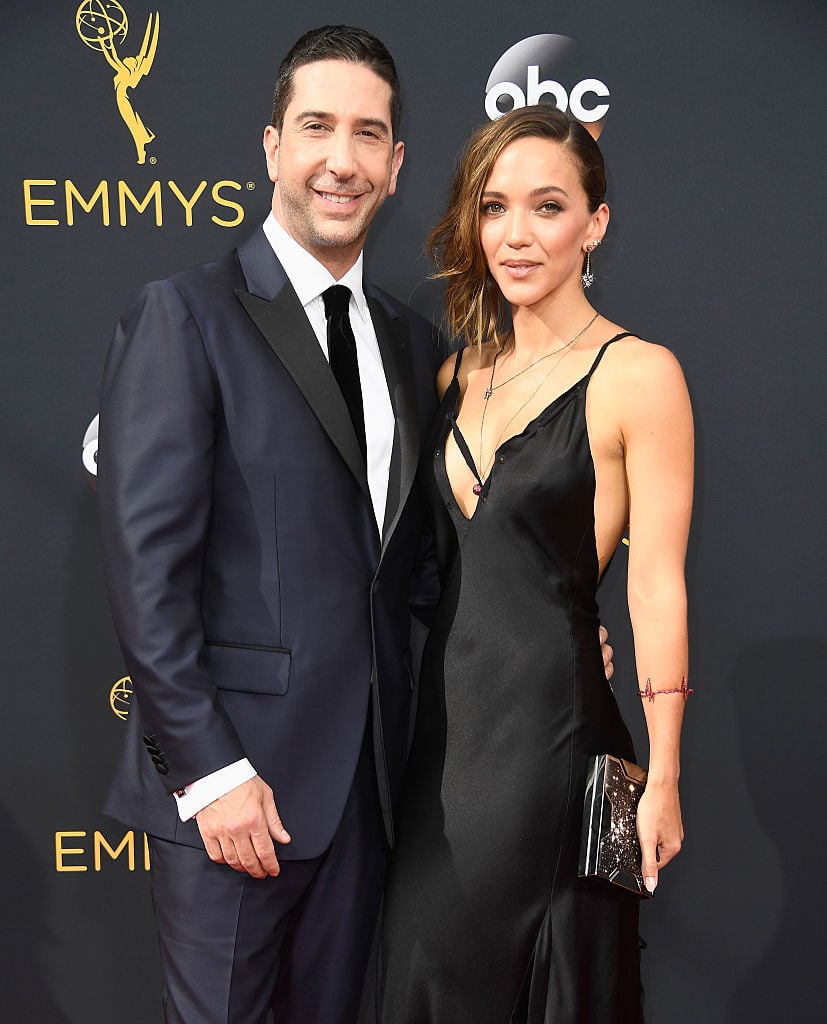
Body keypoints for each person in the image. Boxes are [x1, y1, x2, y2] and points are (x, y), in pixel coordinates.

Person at [97, 25, 446, 1024]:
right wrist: (209, 772)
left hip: (368, 799)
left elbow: (416, 572)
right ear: (271, 146)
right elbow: (147, 574)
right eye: (316, 127)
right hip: (234, 792)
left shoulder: (413, 343)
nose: (341, 159)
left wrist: (545, 631)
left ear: (395, 164)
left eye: (367, 134)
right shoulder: (185, 316)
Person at [377, 105, 693, 1023]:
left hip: (562, 742)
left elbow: (655, 583)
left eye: (547, 207)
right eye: (494, 207)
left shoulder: (639, 375)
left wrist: (663, 776)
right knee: (423, 971)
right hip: (444, 740)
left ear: (594, 223)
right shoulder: (454, 376)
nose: (514, 234)